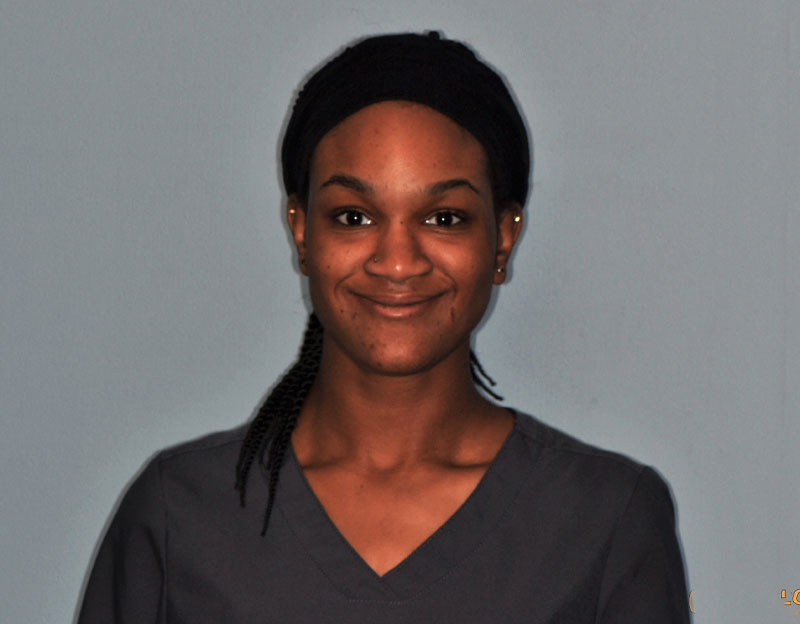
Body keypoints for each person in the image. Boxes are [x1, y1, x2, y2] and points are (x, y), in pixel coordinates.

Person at [77, 32, 690, 623]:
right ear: (301, 230)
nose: (397, 261)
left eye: (444, 216)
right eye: (353, 216)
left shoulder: (606, 521)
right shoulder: (177, 516)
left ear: (503, 238)